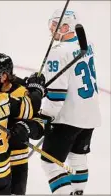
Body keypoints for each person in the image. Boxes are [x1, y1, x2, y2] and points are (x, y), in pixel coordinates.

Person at [40, 9, 101, 195]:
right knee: (78, 156)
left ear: (65, 26)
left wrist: (45, 118)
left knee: (49, 161)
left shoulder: (58, 53)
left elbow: (57, 94)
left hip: (67, 117)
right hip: (90, 113)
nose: (51, 28)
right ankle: (78, 193)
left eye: (54, 24)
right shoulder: (86, 43)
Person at [0, 53, 53, 195]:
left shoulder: (22, 92)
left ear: (3, 77)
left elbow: (42, 124)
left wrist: (27, 128)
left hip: (15, 161)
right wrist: (37, 91)